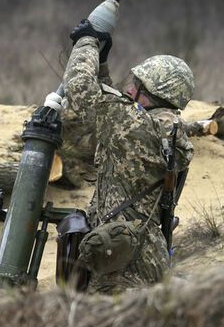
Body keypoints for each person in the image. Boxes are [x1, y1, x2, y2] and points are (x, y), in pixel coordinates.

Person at [61, 19, 194, 294]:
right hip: (142, 254)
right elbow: (115, 110)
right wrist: (102, 63)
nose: (130, 89)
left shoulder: (134, 124)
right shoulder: (160, 127)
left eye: (137, 85)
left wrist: (87, 42)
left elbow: (81, 92)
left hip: (119, 267)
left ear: (152, 93)